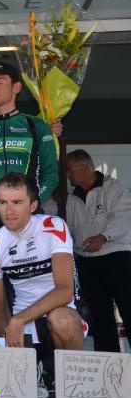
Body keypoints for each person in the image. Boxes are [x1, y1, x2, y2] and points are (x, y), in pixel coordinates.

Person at [0, 62, 60, 313]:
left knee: (31, 277)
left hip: (29, 211)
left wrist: (31, 203)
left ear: (17, 87)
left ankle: (38, 343)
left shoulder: (35, 126)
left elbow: (52, 173)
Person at [0, 173, 83, 353]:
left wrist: (18, 319)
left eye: (17, 202)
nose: (9, 211)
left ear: (33, 206)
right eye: (2, 202)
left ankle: (73, 376)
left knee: (61, 319)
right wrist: (7, 345)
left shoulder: (54, 227)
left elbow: (65, 291)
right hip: (24, 326)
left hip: (62, 313)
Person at [65, 149, 131, 352]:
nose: (67, 175)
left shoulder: (113, 187)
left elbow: (123, 217)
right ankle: (108, 364)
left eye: (70, 170)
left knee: (128, 308)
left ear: (84, 167)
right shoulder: (72, 197)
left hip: (117, 257)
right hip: (87, 261)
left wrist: (102, 237)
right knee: (100, 315)